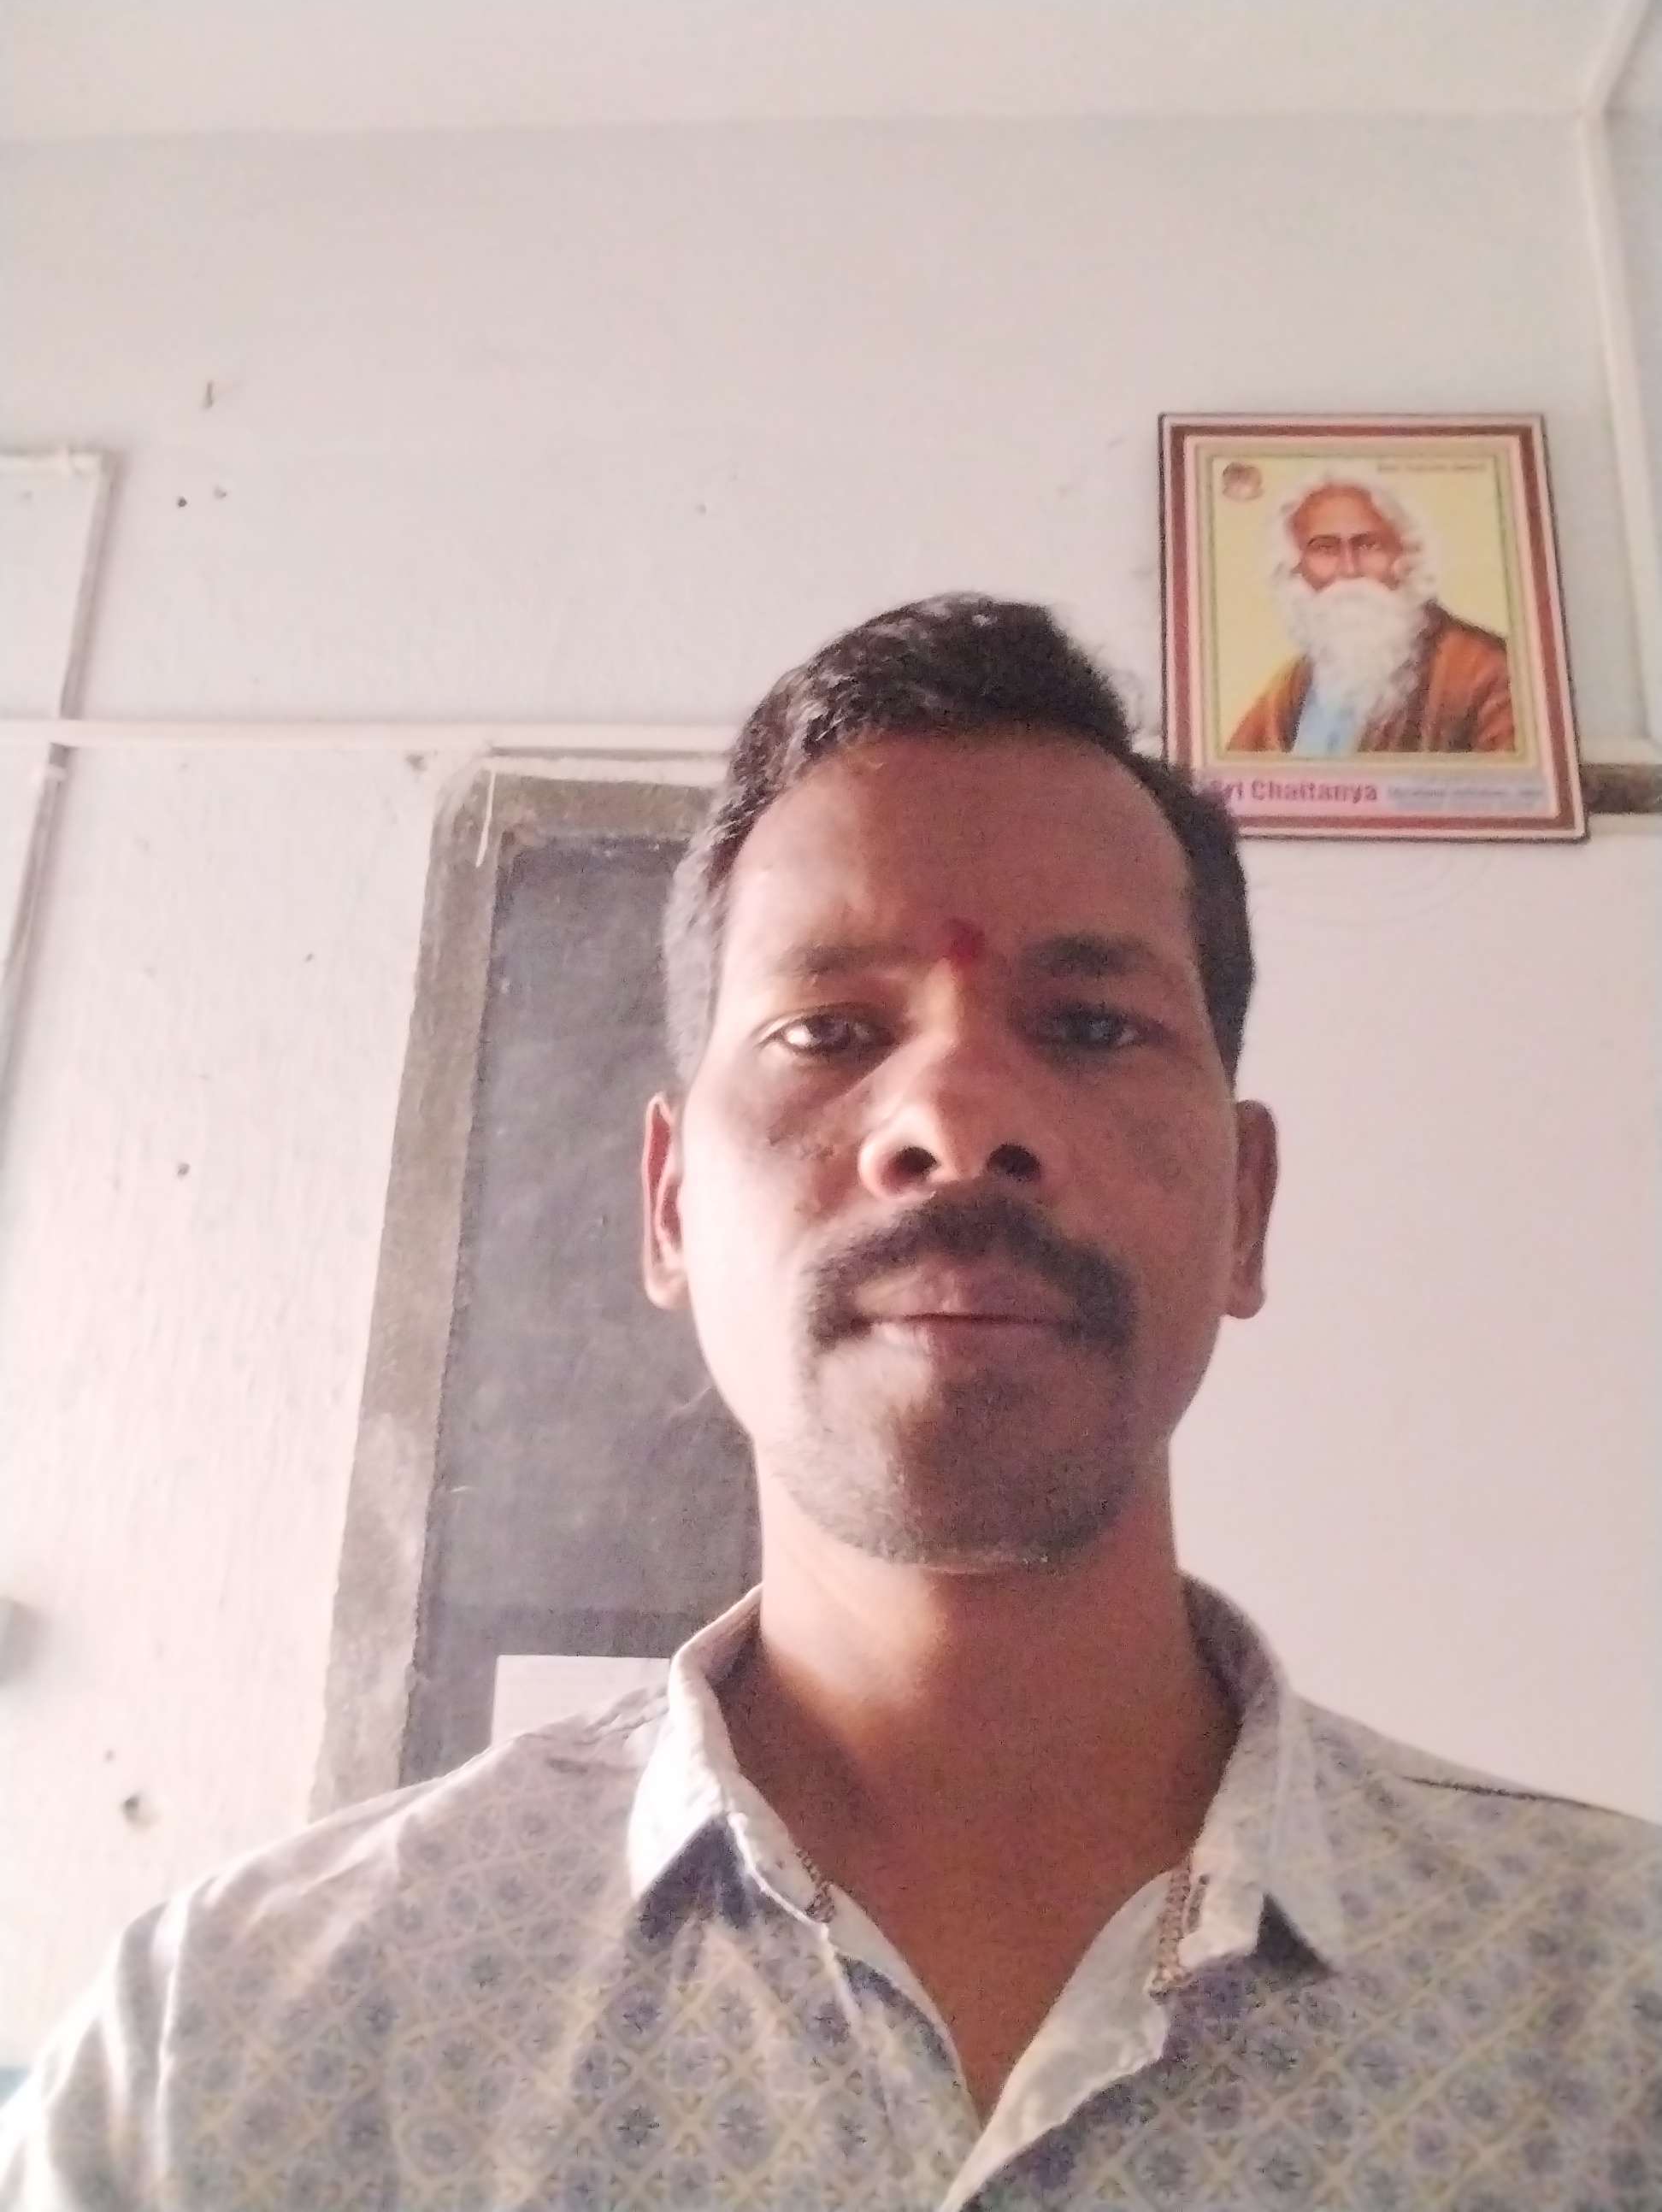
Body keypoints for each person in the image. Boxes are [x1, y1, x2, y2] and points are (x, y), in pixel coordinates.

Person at [3, 595, 1656, 2209]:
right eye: (828, 1028)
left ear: (1244, 1206)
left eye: (1091, 1025)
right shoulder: (235, 2046)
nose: (954, 1115)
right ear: (668, 1204)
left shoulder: (1616, 2021)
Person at [1226, 470, 1518, 756]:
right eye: (1325, 549)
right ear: (1295, 567)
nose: (1349, 569)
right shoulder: (1294, 683)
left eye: (1370, 545)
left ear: (1408, 557)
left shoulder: (1488, 670)